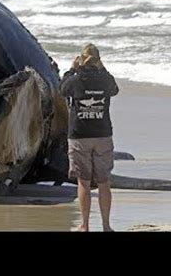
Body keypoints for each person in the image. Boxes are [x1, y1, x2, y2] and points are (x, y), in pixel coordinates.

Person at [60, 43, 119, 232]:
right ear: (99, 61)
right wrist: (104, 70)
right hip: (102, 135)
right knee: (104, 182)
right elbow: (115, 89)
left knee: (83, 182)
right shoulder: (105, 81)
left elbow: (62, 89)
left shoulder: (75, 80)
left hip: (79, 136)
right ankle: (106, 226)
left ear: (81, 59)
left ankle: (84, 225)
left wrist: (71, 69)